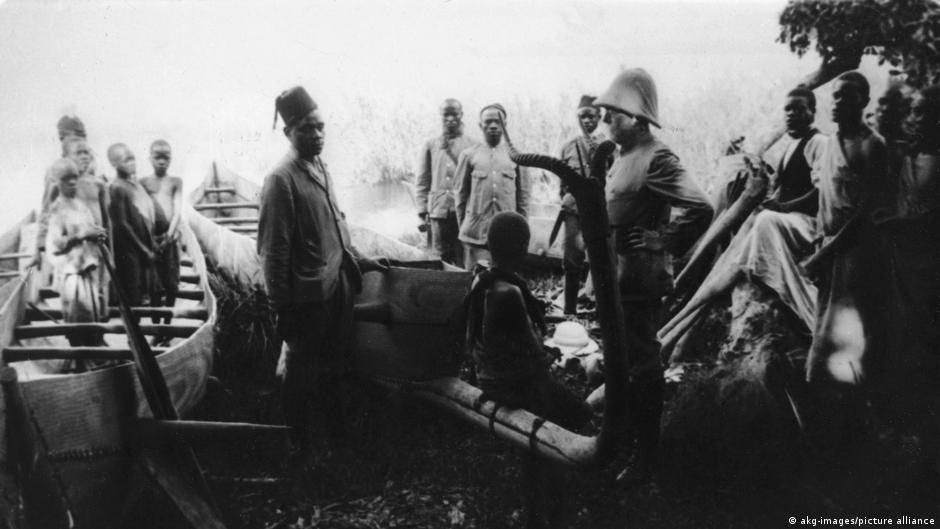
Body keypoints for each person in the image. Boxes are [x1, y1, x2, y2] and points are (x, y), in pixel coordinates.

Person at [594, 68, 713, 480]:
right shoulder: (620, 157)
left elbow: (701, 207)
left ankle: (646, 456)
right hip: (617, 280)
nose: (606, 120)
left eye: (614, 114)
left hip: (641, 282)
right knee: (622, 360)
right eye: (606, 113)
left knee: (644, 366)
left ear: (637, 117)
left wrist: (662, 240)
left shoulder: (656, 157)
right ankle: (623, 436)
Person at [258, 86, 389, 460]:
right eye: (306, 130)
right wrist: (281, 308)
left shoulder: (320, 168)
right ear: (288, 133)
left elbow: (335, 228)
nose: (316, 136)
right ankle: (297, 444)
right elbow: (273, 252)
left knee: (334, 367)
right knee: (299, 375)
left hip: (337, 289)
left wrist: (360, 259)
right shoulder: (280, 180)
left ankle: (337, 437)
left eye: (320, 127)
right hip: (306, 301)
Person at [659, 86, 826, 357]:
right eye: (788, 109)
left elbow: (820, 193)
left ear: (812, 112)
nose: (792, 114)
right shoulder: (792, 145)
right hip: (787, 219)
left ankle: (681, 323)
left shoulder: (819, 143)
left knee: (766, 221)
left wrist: (782, 207)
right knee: (755, 223)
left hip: (808, 223)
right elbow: (780, 188)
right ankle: (676, 326)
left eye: (799, 108)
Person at [464, 211, 590, 529]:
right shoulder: (510, 292)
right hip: (512, 385)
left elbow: (473, 339)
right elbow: (534, 353)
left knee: (560, 408)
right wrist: (554, 351)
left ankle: (545, 488)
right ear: (522, 249)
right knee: (576, 414)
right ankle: (555, 505)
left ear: (490, 246)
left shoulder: (481, 279)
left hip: (489, 376)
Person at [803, 71, 891, 388]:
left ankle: (855, 417)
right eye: (836, 95)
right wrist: (818, 243)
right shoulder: (831, 143)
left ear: (864, 101)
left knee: (847, 338)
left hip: (855, 256)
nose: (838, 102)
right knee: (822, 330)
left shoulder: (872, 146)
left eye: (848, 96)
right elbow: (827, 199)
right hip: (829, 249)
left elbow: (864, 215)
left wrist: (824, 254)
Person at [45, 159, 108, 368]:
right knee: (78, 316)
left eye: (74, 178)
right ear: (57, 183)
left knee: (92, 314)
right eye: (66, 179)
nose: (72, 183)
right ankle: (80, 361)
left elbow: (91, 229)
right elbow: (55, 245)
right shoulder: (57, 209)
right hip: (72, 273)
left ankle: (92, 357)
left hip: (88, 268)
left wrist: (96, 234)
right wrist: (81, 234)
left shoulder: (81, 205)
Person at [455, 104, 530, 270]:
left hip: (507, 236)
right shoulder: (469, 155)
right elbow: (460, 196)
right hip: (476, 235)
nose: (493, 126)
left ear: (505, 125)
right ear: (480, 125)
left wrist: (521, 234)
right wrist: (465, 229)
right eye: (488, 122)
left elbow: (524, 198)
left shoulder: (517, 156)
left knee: (505, 283)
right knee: (475, 282)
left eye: (498, 122)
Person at [557, 95, 606, 314]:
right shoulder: (568, 147)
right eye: (583, 116)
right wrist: (568, 202)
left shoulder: (608, 146)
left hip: (600, 212)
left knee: (602, 260)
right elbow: (562, 184)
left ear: (599, 117)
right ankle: (569, 311)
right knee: (572, 259)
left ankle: (600, 309)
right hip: (574, 211)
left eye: (591, 116)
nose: (587, 121)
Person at [416, 99, 479, 265]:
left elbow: (477, 181)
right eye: (446, 115)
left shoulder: (473, 145)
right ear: (441, 116)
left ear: (461, 115)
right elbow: (423, 180)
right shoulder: (431, 145)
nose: (450, 119)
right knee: (439, 255)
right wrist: (423, 212)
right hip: (439, 210)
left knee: (464, 253)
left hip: (464, 211)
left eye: (454, 114)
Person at [107, 143, 157, 307]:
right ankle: (135, 328)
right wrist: (143, 249)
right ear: (114, 164)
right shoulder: (117, 187)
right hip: (129, 249)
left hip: (140, 245)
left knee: (144, 290)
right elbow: (122, 223)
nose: (132, 163)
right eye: (126, 160)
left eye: (133, 159)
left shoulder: (133, 185)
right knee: (133, 291)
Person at [141, 140, 183, 320]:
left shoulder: (175, 181)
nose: (162, 161)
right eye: (157, 157)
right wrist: (150, 238)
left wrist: (170, 234)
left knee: (172, 283)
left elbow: (178, 210)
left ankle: (167, 324)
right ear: (149, 158)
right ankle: (156, 326)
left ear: (171, 159)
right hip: (151, 239)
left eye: (166, 157)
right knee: (154, 286)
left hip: (170, 239)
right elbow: (141, 213)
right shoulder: (143, 182)